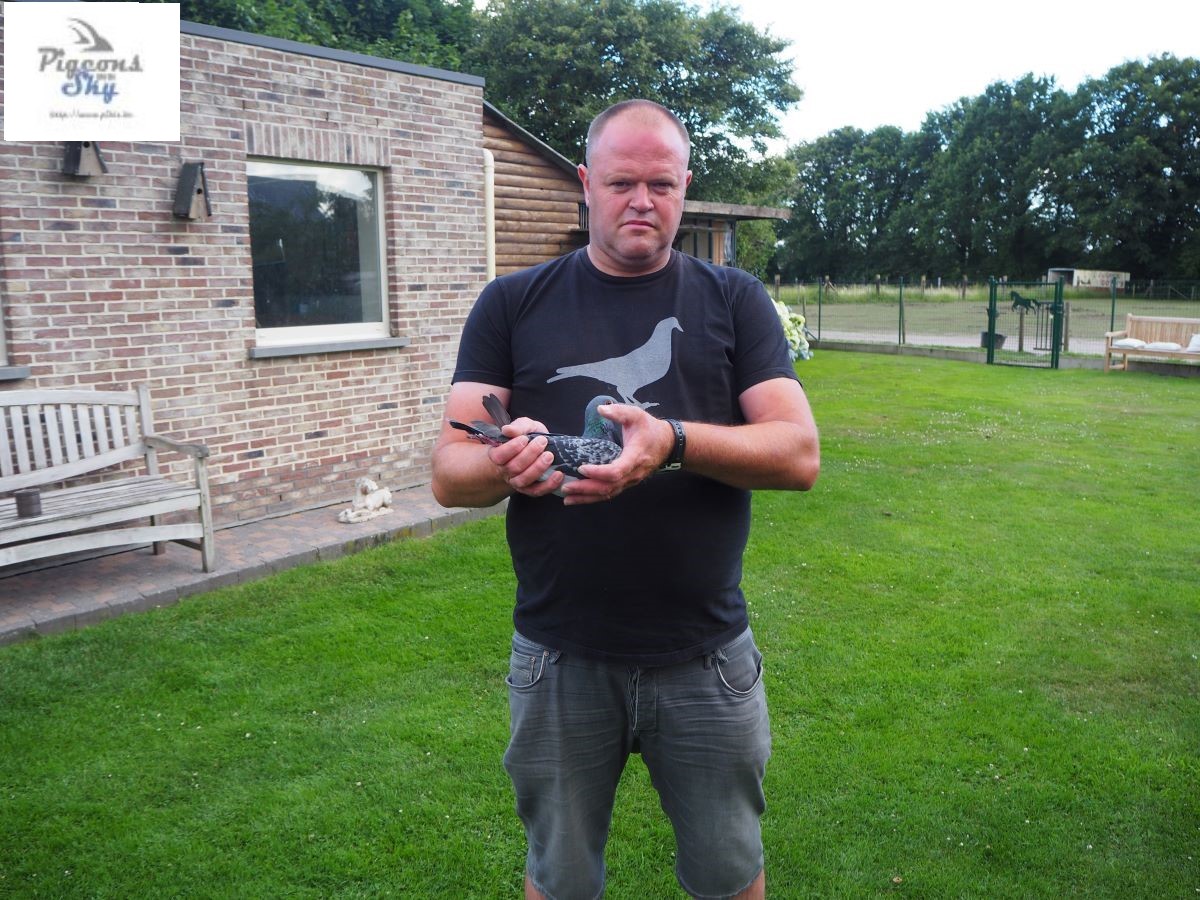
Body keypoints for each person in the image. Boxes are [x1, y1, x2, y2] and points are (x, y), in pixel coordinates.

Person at [431, 98, 819, 900]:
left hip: (706, 656)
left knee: (730, 876)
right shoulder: (512, 302)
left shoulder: (735, 299)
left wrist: (671, 442)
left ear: (685, 188)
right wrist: (509, 464)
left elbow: (798, 453)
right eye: (620, 183)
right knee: (560, 880)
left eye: (661, 184)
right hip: (560, 656)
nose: (642, 201)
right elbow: (448, 472)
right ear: (585, 184)